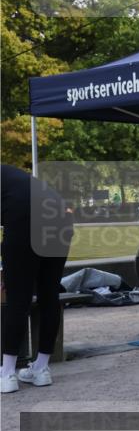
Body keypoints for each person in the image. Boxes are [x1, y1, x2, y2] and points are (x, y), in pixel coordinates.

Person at [1, 165, 75, 393]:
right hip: (62, 218)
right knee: (49, 295)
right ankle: (41, 369)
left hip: (26, 219)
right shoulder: (11, 176)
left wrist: (9, 271)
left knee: (18, 299)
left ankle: (7, 374)